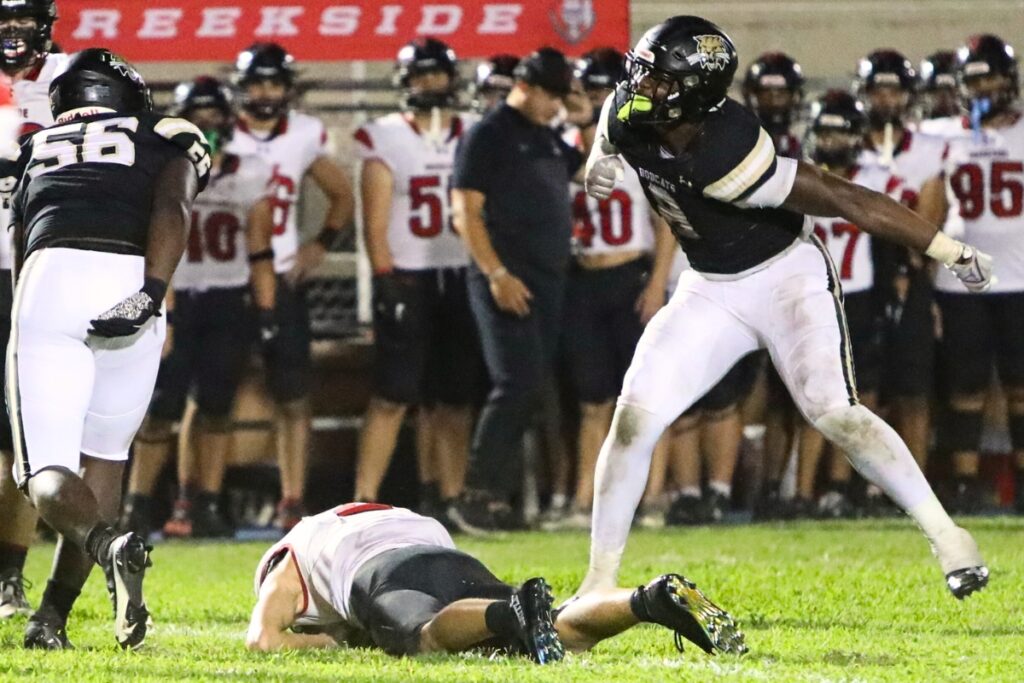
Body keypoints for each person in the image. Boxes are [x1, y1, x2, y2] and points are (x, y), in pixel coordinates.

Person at [579, 16, 991, 603]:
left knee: (835, 413)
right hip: (710, 285)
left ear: (694, 92)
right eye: (643, 73)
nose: (642, 87)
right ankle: (598, 582)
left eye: (660, 80)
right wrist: (602, 152)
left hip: (784, 279)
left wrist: (948, 249)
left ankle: (950, 538)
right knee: (634, 420)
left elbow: (847, 198)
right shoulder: (636, 107)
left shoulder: (733, 154)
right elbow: (615, 113)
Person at [6, 48, 211, 649]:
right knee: (104, 459)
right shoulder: (162, 135)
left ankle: (108, 546)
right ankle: (51, 618)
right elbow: (174, 205)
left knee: (38, 468)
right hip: (132, 277)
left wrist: (28, 315)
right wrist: (151, 293)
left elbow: (22, 239)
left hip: (52, 273)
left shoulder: (34, 146)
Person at [247, 503, 747, 658]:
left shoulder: (286, 561)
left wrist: (331, 644)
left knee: (425, 640)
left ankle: (510, 613)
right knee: (552, 630)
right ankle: (650, 600)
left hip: (383, 569)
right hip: (444, 553)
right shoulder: (332, 529)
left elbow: (263, 642)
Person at [119, 76, 276, 540]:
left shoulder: (250, 173)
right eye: (198, 115)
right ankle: (136, 504)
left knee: (216, 407)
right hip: (176, 296)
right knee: (161, 409)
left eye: (214, 115)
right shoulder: (164, 170)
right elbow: (148, 243)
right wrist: (156, 301)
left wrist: (267, 314)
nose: (207, 125)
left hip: (227, 300)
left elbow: (260, 250)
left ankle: (205, 500)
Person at [447, 48, 592, 531]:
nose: (557, 106)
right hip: (507, 278)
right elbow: (464, 213)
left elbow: (598, 176)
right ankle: (475, 493)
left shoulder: (547, 137)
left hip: (548, 280)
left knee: (530, 388)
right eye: (552, 95)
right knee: (514, 384)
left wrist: (586, 120)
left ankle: (499, 500)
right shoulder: (488, 136)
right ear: (525, 87)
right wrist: (496, 274)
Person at [353, 38, 481, 517]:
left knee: (454, 398)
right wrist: (385, 277)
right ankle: (360, 500)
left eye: (436, 74)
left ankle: (453, 498)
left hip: (460, 273)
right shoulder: (386, 135)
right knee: (393, 394)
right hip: (409, 276)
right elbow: (374, 220)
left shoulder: (473, 131)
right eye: (419, 75)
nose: (429, 84)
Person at [230, 42, 354, 530]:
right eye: (257, 83)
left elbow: (342, 194)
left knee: (293, 393)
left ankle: (292, 497)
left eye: (273, 83)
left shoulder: (303, 135)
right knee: (209, 396)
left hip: (279, 275)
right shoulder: (218, 133)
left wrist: (319, 244)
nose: (264, 92)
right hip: (222, 278)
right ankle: (197, 496)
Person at [552, 46, 675, 530]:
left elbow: (666, 221)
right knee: (592, 400)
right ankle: (586, 500)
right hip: (583, 278)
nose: (593, 99)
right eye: (586, 90)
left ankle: (654, 497)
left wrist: (658, 283)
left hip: (630, 277)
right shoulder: (565, 144)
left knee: (646, 395)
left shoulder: (641, 144)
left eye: (601, 89)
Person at [919, 35, 1024, 514]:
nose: (983, 87)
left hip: (1021, 277)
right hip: (960, 280)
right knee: (964, 387)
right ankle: (964, 484)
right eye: (974, 78)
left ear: (1009, 79)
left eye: (991, 76)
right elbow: (929, 206)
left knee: (1021, 386)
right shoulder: (942, 135)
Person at [798, 90, 904, 517]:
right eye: (826, 132)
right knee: (813, 401)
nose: (833, 142)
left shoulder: (877, 179)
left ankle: (857, 487)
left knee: (865, 398)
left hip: (860, 299)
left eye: (842, 134)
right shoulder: (796, 177)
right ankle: (804, 493)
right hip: (811, 298)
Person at [856, 49, 950, 511]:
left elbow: (931, 219)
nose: (887, 99)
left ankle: (914, 492)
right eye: (879, 89)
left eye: (894, 89)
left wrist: (910, 270)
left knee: (913, 388)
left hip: (908, 273)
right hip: (855, 279)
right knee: (863, 391)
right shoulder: (847, 147)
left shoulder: (929, 150)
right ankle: (867, 485)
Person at [0, 0, 67, 621]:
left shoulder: (75, 81)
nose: (14, 37)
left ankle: (9, 577)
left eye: (24, 22)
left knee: (21, 441)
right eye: (3, 23)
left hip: (45, 274)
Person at [917, 50, 962, 127]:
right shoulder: (916, 130)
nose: (944, 97)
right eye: (936, 91)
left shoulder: (974, 129)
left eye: (950, 91)